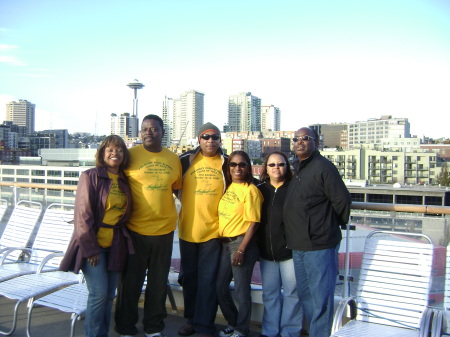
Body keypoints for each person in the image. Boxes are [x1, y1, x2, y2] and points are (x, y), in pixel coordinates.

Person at [114, 114, 182, 337]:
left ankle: (154, 327)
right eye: (144, 129)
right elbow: (113, 180)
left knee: (158, 284)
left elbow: (177, 189)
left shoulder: (173, 159)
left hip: (164, 231)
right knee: (130, 284)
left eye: (153, 129)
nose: (148, 132)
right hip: (134, 231)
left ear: (163, 132)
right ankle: (125, 327)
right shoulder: (130, 156)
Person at [60, 135, 133, 337]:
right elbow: (82, 216)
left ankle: (102, 334)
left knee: (110, 295)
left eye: (119, 150)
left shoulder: (125, 180)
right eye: (109, 149)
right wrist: (90, 248)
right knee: (98, 294)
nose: (114, 153)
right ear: (102, 153)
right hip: (94, 245)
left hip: (116, 244)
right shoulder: (90, 176)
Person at [283, 127, 351, 337]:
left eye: (306, 138)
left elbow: (342, 201)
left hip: (320, 245)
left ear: (316, 142)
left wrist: (328, 225)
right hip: (299, 244)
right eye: (296, 139)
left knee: (321, 299)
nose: (300, 142)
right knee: (306, 296)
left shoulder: (324, 167)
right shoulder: (298, 168)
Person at [177, 123, 228, 337]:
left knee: (208, 281)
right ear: (199, 139)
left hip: (213, 232)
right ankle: (190, 319)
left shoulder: (226, 163)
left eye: (214, 137)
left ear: (219, 140)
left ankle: (205, 324)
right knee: (189, 278)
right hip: (187, 230)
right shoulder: (185, 161)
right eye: (206, 137)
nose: (210, 141)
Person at [216, 151, 263, 337]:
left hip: (241, 243)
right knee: (220, 288)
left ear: (248, 167)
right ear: (228, 168)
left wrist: (241, 249)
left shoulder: (251, 190)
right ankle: (234, 323)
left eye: (242, 164)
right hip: (225, 243)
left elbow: (254, 223)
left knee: (242, 292)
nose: (237, 168)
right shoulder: (228, 187)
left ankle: (242, 330)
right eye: (233, 165)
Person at [256, 152, 303, 337]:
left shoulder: (294, 188)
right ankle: (270, 331)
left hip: (290, 251)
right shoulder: (259, 190)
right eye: (272, 164)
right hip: (267, 252)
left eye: (281, 164)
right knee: (270, 294)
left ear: (287, 167)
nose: (277, 168)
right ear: (265, 168)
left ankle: (289, 332)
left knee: (292, 293)